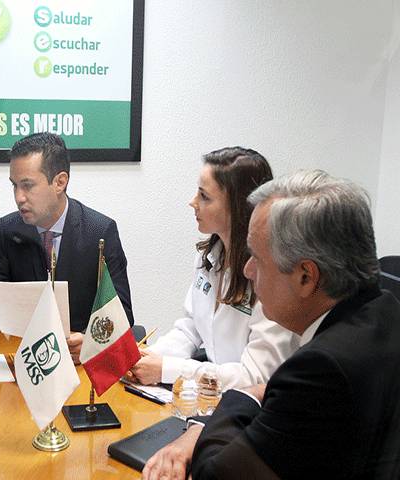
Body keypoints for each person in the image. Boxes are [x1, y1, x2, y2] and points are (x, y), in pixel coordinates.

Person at [143, 170, 400, 480]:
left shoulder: (320, 369)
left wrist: (234, 403)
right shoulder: (386, 310)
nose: (247, 270)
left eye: (257, 258)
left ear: (306, 276)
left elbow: (217, 474)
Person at [0, 132, 133, 363]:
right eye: (14, 186)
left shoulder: (99, 232)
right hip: (26, 359)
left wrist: (90, 341)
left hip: (79, 364)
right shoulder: (7, 230)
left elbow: (120, 312)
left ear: (60, 182)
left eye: (27, 186)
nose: (19, 197)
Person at [128, 147, 298, 390]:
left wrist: (169, 369)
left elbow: (256, 377)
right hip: (208, 396)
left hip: (249, 403)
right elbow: (191, 329)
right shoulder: (209, 257)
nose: (193, 203)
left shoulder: (271, 276)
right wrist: (149, 357)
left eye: (204, 196)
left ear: (238, 206)